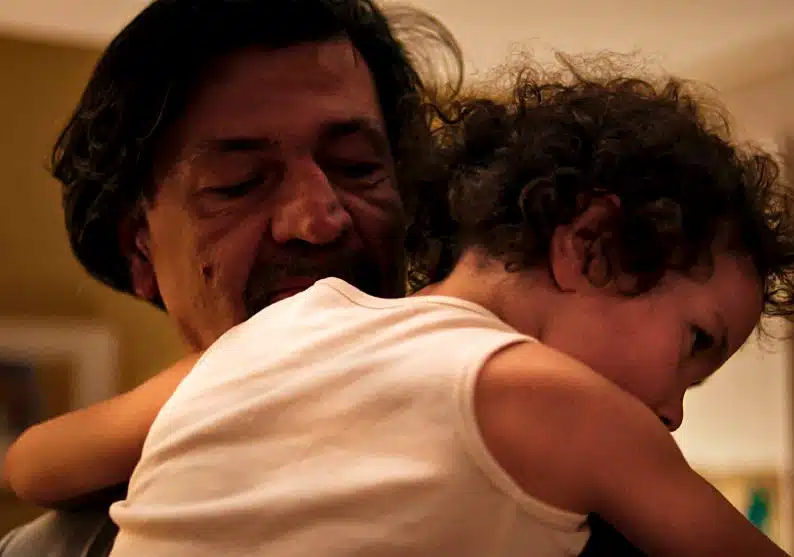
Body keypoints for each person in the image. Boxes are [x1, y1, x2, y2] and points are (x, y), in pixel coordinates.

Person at [7, 61, 794, 557]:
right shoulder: (577, 410)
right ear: (593, 246)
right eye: (696, 343)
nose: (674, 412)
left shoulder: (278, 332)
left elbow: (35, 463)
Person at [0, 0, 463, 555]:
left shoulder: (527, 467)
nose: (317, 221)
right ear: (140, 251)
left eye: (357, 166)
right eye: (239, 182)